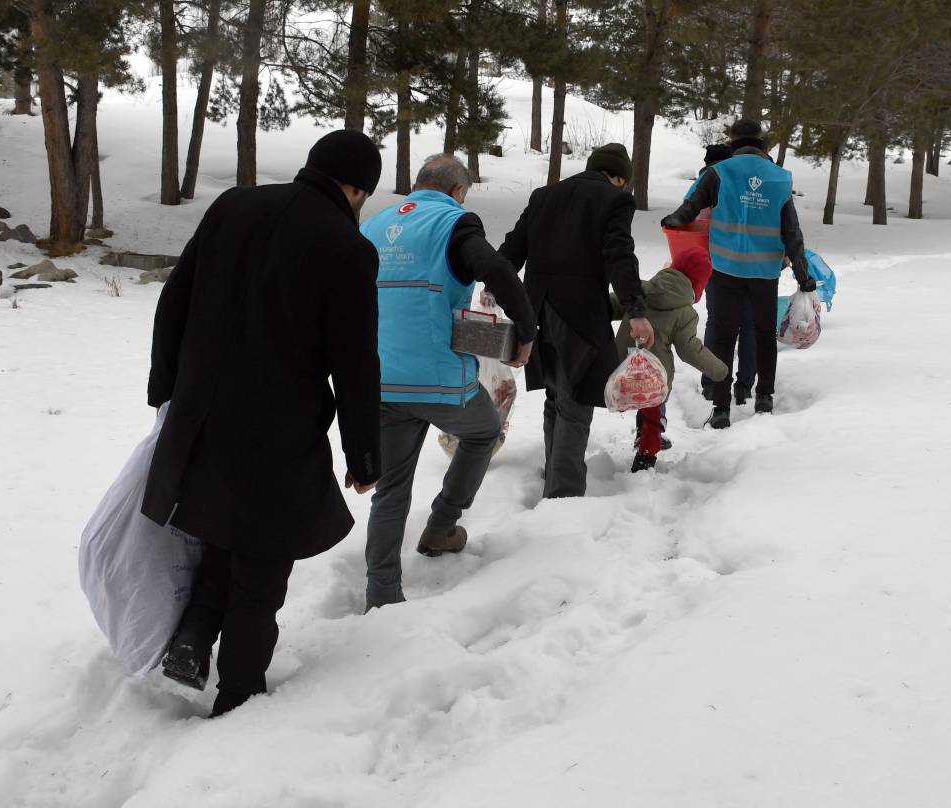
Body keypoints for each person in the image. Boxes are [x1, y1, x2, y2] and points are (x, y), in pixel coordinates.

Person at [144, 130, 384, 717]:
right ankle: (239, 699)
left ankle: (194, 640)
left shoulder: (233, 206)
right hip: (278, 434)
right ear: (355, 188)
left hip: (201, 416)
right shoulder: (346, 248)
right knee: (260, 563)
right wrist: (363, 454)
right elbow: (355, 362)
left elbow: (174, 299)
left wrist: (165, 390)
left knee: (220, 533)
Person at [358, 155, 535, 611]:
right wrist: (527, 330)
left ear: (418, 185)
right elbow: (496, 270)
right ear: (458, 191)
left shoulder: (373, 226)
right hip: (438, 382)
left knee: (391, 490)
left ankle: (381, 593)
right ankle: (442, 524)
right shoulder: (454, 223)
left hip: (380, 379)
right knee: (482, 432)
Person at [500, 143, 654, 498]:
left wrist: (497, 288)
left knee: (556, 398)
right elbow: (619, 255)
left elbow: (510, 252)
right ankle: (564, 495)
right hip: (578, 318)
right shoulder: (614, 199)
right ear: (618, 177)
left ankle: (554, 477)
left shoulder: (543, 196)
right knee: (574, 404)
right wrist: (636, 311)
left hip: (536, 313)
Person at [661, 119, 816, 430]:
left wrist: (672, 221)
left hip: (725, 268)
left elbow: (689, 209)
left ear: (732, 142)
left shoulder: (720, 172)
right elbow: (792, 234)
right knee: (762, 336)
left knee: (723, 337)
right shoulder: (780, 179)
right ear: (762, 143)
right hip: (764, 272)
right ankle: (764, 398)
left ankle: (720, 409)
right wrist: (803, 275)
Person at [611, 247, 728, 472]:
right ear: (698, 285)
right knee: (652, 415)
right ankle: (645, 457)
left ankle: (640, 433)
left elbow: (609, 304)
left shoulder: (638, 292)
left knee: (636, 396)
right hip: (654, 380)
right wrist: (719, 371)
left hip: (620, 370)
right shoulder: (685, 313)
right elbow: (689, 350)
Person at [694, 143, 757, 405]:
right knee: (747, 324)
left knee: (716, 322)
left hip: (711, 264)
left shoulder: (699, 185)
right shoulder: (731, 185)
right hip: (745, 263)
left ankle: (711, 383)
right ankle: (743, 386)